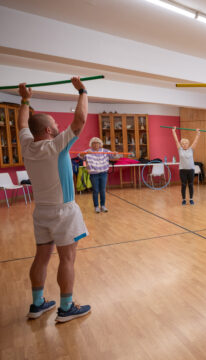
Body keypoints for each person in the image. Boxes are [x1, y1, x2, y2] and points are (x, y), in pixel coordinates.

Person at [18, 78, 91, 323]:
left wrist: (26, 100)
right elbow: (79, 121)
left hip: (42, 214)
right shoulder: (56, 146)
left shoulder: (27, 147)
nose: (58, 126)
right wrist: (82, 91)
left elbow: (22, 124)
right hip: (63, 212)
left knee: (41, 257)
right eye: (54, 124)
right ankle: (66, 308)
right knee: (67, 258)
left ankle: (37, 304)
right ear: (48, 131)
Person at [81, 137, 117, 213]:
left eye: (97, 143)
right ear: (91, 144)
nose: (96, 144)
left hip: (103, 173)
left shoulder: (105, 151)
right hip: (94, 174)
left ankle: (103, 206)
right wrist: (85, 153)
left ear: (100, 144)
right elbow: (80, 155)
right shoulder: (88, 151)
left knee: (102, 190)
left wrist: (114, 153)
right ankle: (96, 206)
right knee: (95, 190)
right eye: (94, 143)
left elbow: (113, 156)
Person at [171, 127, 200, 205]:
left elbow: (196, 142)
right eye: (183, 143)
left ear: (188, 144)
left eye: (186, 143)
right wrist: (173, 131)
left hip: (191, 170)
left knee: (190, 185)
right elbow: (176, 140)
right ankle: (183, 199)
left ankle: (191, 199)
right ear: (181, 144)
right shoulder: (180, 149)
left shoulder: (191, 149)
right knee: (183, 185)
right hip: (182, 170)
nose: (184, 145)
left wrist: (198, 133)